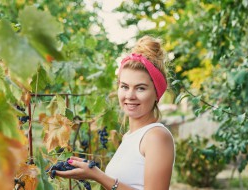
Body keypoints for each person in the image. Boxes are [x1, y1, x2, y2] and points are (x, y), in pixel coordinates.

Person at [56, 35, 175, 190]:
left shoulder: (156, 137)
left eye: (140, 88)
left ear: (156, 93)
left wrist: (98, 176)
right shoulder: (129, 136)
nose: (130, 96)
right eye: (125, 86)